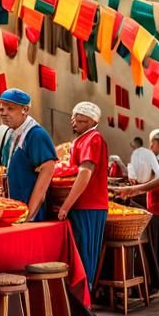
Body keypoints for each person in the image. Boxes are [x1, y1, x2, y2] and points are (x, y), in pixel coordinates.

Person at [111, 129, 159, 291]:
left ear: (157, 143)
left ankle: (152, 286)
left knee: (156, 253)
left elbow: (157, 182)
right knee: (153, 252)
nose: (150, 146)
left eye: (152, 143)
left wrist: (132, 190)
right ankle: (150, 286)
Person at [55, 102, 109, 290]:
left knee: (85, 253)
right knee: (78, 252)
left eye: (82, 121)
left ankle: (85, 295)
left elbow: (85, 173)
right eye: (74, 119)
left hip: (89, 205)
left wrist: (66, 206)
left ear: (93, 122)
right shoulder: (81, 139)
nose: (76, 123)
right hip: (81, 205)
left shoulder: (93, 139)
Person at [0, 89, 58, 221]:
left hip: (30, 215)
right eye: (1, 109)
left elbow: (47, 170)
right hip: (11, 210)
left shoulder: (36, 135)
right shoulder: (9, 133)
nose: (4, 113)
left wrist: (29, 215)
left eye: (10, 109)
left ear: (25, 109)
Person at [126, 137, 159, 209]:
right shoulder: (150, 153)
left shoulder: (135, 154)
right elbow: (156, 172)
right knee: (145, 209)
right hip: (148, 188)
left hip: (138, 188)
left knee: (136, 209)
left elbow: (132, 175)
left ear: (136, 144)